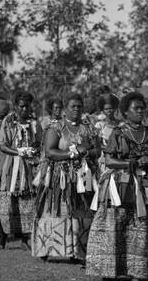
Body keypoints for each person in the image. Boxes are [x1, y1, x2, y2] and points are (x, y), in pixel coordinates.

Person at [86, 91, 148, 281]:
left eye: (142, 108)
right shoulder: (118, 133)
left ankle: (138, 273)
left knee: (143, 226)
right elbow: (109, 159)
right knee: (117, 225)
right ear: (125, 112)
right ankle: (112, 271)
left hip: (146, 184)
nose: (140, 111)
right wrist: (130, 164)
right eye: (136, 108)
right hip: (121, 185)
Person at [32, 93, 99, 262]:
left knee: (81, 210)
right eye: (72, 106)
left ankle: (79, 251)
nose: (76, 109)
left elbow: (97, 151)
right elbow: (49, 151)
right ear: (65, 109)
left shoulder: (88, 128)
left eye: (79, 106)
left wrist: (86, 151)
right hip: (60, 177)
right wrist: (71, 154)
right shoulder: (56, 127)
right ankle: (50, 249)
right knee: (59, 209)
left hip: (83, 176)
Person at [0, 90, 41, 249]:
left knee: (27, 200)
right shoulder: (9, 121)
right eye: (22, 106)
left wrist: (33, 150)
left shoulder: (34, 122)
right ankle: (3, 234)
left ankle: (26, 236)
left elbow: (38, 142)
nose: (25, 109)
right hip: (10, 165)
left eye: (28, 106)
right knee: (8, 201)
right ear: (16, 107)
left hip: (28, 166)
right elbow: (2, 145)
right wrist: (18, 151)